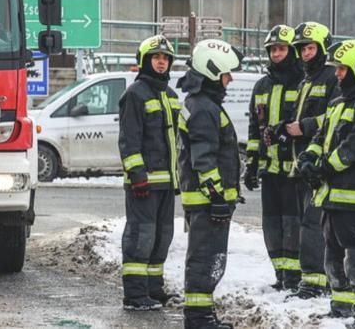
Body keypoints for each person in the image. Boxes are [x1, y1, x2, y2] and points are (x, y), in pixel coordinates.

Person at [296, 39, 355, 321]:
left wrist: (322, 168)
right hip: (332, 196)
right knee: (333, 256)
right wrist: (308, 158)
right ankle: (341, 306)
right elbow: (320, 137)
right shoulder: (338, 103)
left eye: (343, 69)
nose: (337, 74)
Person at [177, 39, 243, 329]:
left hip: (203, 200)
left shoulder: (201, 103)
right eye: (226, 74)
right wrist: (217, 196)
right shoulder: (204, 108)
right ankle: (199, 318)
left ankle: (202, 315)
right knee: (205, 259)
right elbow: (204, 159)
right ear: (213, 72)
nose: (229, 80)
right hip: (207, 202)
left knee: (204, 257)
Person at [118, 35, 181, 311]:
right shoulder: (135, 94)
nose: (161, 62)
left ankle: (154, 290)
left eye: (165, 58)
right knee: (140, 238)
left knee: (161, 237)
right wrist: (137, 175)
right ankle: (134, 295)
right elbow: (128, 140)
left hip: (166, 183)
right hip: (143, 184)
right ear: (145, 61)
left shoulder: (171, 96)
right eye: (156, 57)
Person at [243, 25, 304, 291]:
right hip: (270, 170)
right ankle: (280, 274)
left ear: (292, 51)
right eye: (273, 50)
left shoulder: (303, 83)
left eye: (281, 49)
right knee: (271, 225)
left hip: (294, 171)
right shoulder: (261, 86)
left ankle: (294, 276)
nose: (276, 54)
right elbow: (254, 130)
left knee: (293, 224)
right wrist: (251, 164)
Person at [285, 22, 340, 300]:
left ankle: (315, 282)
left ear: (321, 48)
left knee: (312, 224)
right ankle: (316, 279)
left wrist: (304, 127)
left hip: (320, 164)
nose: (305, 54)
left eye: (310, 48)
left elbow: (334, 118)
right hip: (302, 163)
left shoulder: (332, 77)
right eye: (302, 49)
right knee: (306, 223)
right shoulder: (305, 80)